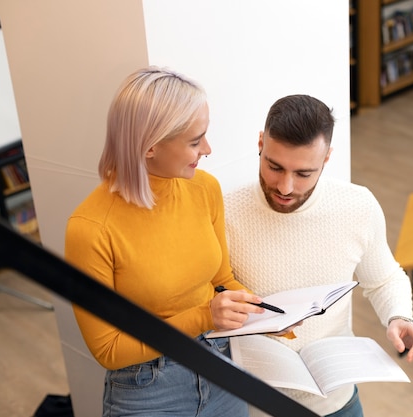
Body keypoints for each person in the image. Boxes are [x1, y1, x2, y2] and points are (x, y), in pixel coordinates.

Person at [64, 66, 266, 417]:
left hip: (220, 368)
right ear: (150, 146)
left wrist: (267, 314)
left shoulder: (204, 188)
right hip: (148, 392)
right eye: (194, 140)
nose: (208, 148)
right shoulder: (91, 228)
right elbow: (108, 350)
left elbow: (221, 280)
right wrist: (204, 316)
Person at [224, 94, 413, 417]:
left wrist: (400, 316)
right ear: (260, 143)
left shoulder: (357, 207)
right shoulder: (225, 212)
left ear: (327, 158)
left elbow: (384, 278)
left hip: (335, 401)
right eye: (274, 166)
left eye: (304, 173)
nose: (285, 186)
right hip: (254, 406)